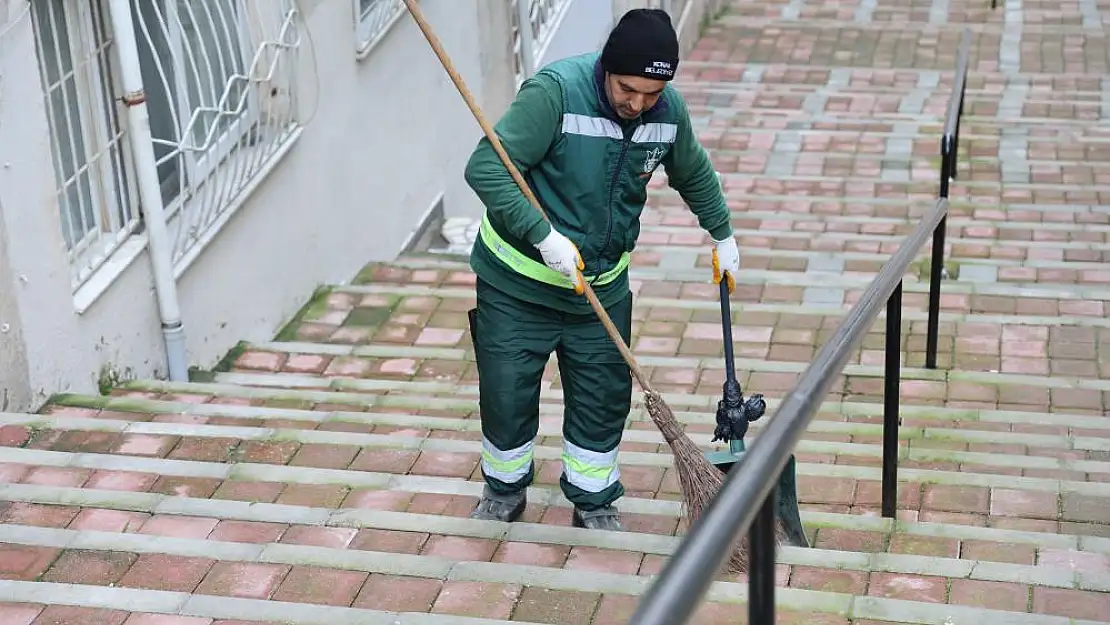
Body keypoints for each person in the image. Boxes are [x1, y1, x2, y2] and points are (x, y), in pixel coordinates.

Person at [462, 8, 740, 531]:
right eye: (628, 89)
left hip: (600, 287)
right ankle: (503, 489)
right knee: (507, 389)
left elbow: (693, 170)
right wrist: (543, 235)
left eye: (651, 94)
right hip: (517, 283)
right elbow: (487, 167)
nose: (638, 104)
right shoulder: (555, 94)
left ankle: (593, 499)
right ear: (607, 69)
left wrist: (722, 233)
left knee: (603, 395)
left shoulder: (665, 112)